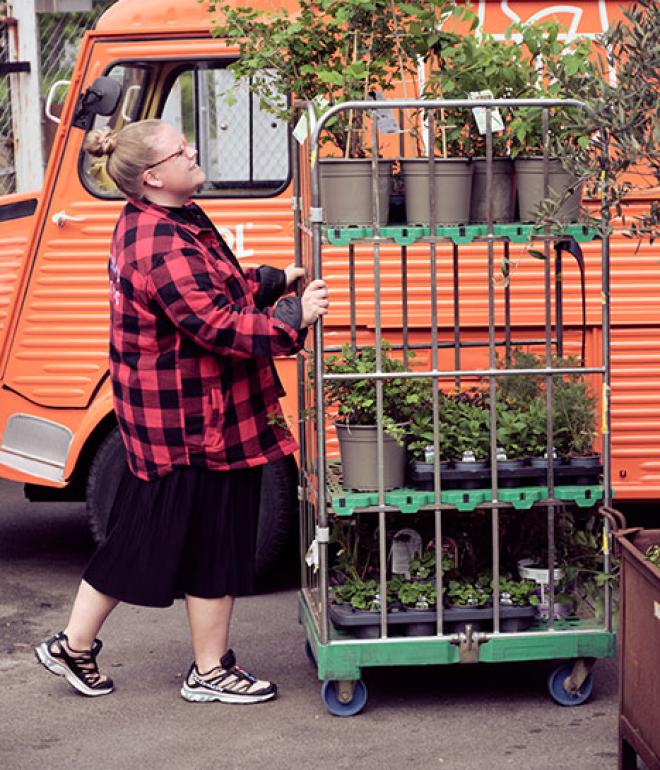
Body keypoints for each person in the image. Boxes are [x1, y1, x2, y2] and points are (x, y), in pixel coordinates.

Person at [34, 118, 329, 704]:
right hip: (192, 421)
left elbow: (213, 284)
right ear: (153, 176)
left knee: (159, 536)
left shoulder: (166, 220)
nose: (193, 152)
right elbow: (212, 323)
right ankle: (200, 669)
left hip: (178, 416)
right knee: (188, 538)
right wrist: (293, 316)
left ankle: (114, 651)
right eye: (180, 150)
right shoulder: (161, 240)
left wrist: (270, 281)